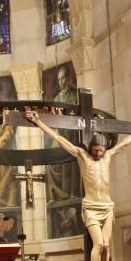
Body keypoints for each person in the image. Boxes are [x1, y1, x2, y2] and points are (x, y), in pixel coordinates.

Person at [25, 109, 131, 261]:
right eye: (96, 149)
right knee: (99, 244)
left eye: (101, 150)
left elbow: (124, 145)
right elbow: (60, 139)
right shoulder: (82, 156)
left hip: (107, 207)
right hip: (90, 207)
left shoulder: (108, 156)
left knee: (107, 246)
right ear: (91, 147)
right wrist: (39, 122)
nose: (98, 152)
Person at [46, 64, 80, 202]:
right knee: (50, 161)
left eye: (63, 78)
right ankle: (57, 194)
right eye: (59, 79)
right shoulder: (57, 98)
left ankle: (71, 193)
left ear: (68, 77)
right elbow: (54, 119)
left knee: (69, 160)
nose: (61, 82)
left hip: (71, 135)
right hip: (60, 135)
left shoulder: (74, 94)